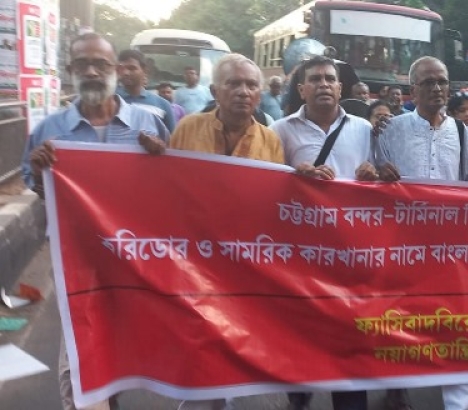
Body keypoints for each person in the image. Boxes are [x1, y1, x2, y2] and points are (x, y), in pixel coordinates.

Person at [22, 32, 169, 410]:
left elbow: (171, 187)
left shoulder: (149, 124)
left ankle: (110, 395)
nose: (90, 71)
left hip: (132, 257)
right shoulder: (48, 131)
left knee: (118, 342)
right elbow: (36, 186)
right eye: (82, 64)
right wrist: (41, 173)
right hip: (75, 258)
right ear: (70, 70)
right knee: (80, 344)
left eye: (100, 64)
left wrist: (161, 161)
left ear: (115, 70)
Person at [376, 56, 468, 410]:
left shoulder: (460, 129)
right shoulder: (391, 128)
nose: (437, 88)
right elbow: (372, 175)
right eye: (428, 82)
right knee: (402, 318)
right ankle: (398, 385)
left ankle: (457, 401)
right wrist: (379, 173)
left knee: (457, 318)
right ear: (413, 90)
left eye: (442, 81)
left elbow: (466, 174)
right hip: (404, 243)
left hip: (451, 245)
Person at [171, 55, 285, 410]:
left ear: (260, 93)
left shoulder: (271, 141)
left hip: (244, 262)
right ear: (214, 91)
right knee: (193, 334)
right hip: (193, 258)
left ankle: (219, 398)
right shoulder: (188, 129)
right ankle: (195, 395)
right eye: (233, 84)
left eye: (251, 85)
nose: (243, 92)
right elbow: (167, 188)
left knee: (230, 334)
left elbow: (277, 204)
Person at [270, 57, 376, 410]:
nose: (324, 84)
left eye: (330, 78)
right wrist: (293, 176)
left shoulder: (363, 128)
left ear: (341, 88)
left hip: (350, 255)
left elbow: (375, 181)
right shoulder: (281, 130)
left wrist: (371, 172)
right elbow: (264, 187)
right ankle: (299, 396)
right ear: (301, 89)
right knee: (302, 337)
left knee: (349, 339)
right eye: (315, 79)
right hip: (302, 258)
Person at [116, 49, 176, 132]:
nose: (126, 72)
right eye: (122, 68)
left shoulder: (163, 105)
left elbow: (173, 141)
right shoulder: (111, 101)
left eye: (131, 68)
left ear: (144, 71)